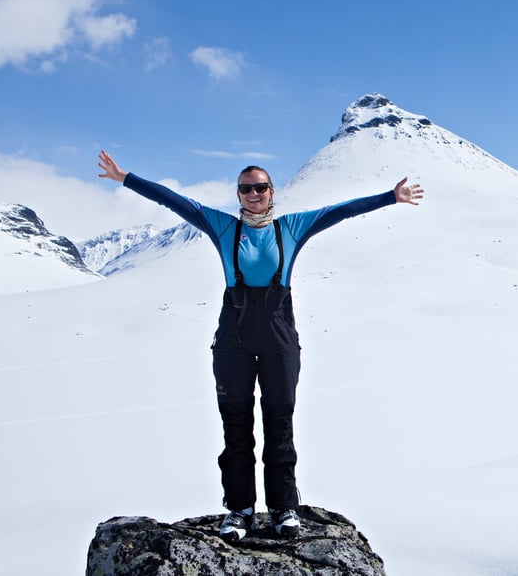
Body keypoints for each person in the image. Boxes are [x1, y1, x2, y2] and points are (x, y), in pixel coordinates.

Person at [98, 150, 423, 542]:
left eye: (261, 187)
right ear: (238, 195)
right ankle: (240, 510)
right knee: (236, 427)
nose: (254, 193)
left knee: (279, 423)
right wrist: (125, 177)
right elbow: (174, 201)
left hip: (279, 336)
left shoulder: (292, 228)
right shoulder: (223, 228)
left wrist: (390, 197)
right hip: (232, 339)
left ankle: (284, 507)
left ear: (272, 192)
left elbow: (342, 210)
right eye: (246, 188)